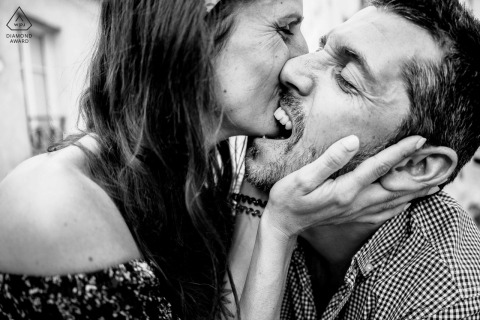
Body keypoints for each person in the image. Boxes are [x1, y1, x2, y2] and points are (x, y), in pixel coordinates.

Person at [0, 0, 431, 319]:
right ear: (196, 35)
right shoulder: (50, 205)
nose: (300, 59)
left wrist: (264, 183)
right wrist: (279, 228)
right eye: (284, 29)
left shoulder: (192, 185)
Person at [242, 0, 480, 318]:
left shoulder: (449, 300)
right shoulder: (232, 200)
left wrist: (278, 228)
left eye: (347, 80)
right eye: (320, 48)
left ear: (414, 165)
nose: (292, 70)